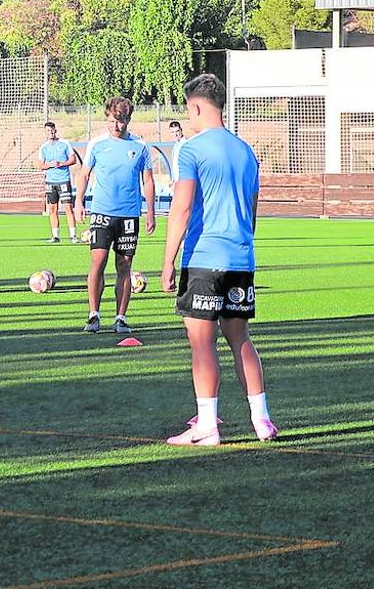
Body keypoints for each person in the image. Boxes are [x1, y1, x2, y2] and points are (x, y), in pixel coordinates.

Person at [162, 74, 277, 446]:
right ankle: (262, 421)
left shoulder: (192, 150)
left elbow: (181, 208)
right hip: (241, 258)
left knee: (202, 343)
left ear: (195, 106)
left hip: (204, 258)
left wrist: (167, 261)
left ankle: (207, 425)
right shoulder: (246, 151)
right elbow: (254, 212)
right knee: (241, 339)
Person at [74, 97, 155, 334]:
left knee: (124, 265)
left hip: (129, 215)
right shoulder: (96, 144)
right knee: (98, 262)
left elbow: (148, 180)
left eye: (119, 122)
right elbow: (84, 174)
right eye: (111, 121)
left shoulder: (140, 146)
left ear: (128, 120)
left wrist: (150, 212)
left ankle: (120, 317)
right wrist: (79, 202)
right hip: (101, 212)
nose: (115, 126)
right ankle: (93, 315)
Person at [37, 121, 79, 244]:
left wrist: (62, 164)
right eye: (48, 131)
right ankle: (55, 236)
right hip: (50, 182)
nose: (50, 133)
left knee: (68, 208)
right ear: (45, 132)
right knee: (52, 209)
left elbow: (73, 159)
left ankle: (73, 236)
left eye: (52, 130)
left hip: (63, 180)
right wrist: (50, 165)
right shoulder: (43, 147)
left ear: (55, 130)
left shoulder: (64, 144)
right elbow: (40, 165)